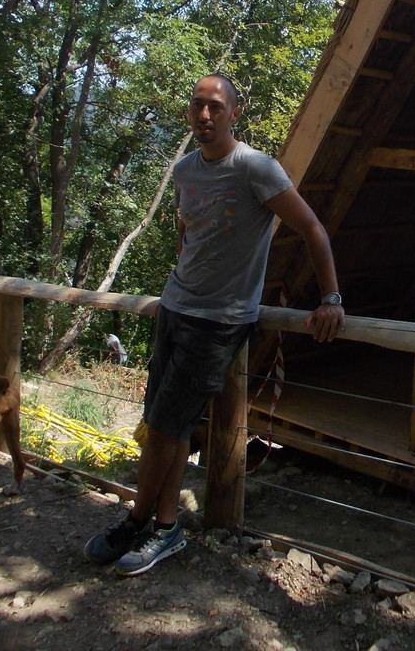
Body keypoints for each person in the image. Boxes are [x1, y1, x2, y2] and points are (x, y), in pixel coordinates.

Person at [84, 73, 345, 577]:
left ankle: (137, 519)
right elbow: (189, 234)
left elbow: (312, 227)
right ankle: (166, 527)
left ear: (234, 113)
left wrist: (331, 298)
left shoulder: (255, 169)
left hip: (220, 322)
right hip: (176, 310)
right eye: (197, 106)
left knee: (163, 426)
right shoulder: (185, 171)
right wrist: (177, 286)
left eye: (215, 107)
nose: (204, 116)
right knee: (167, 424)